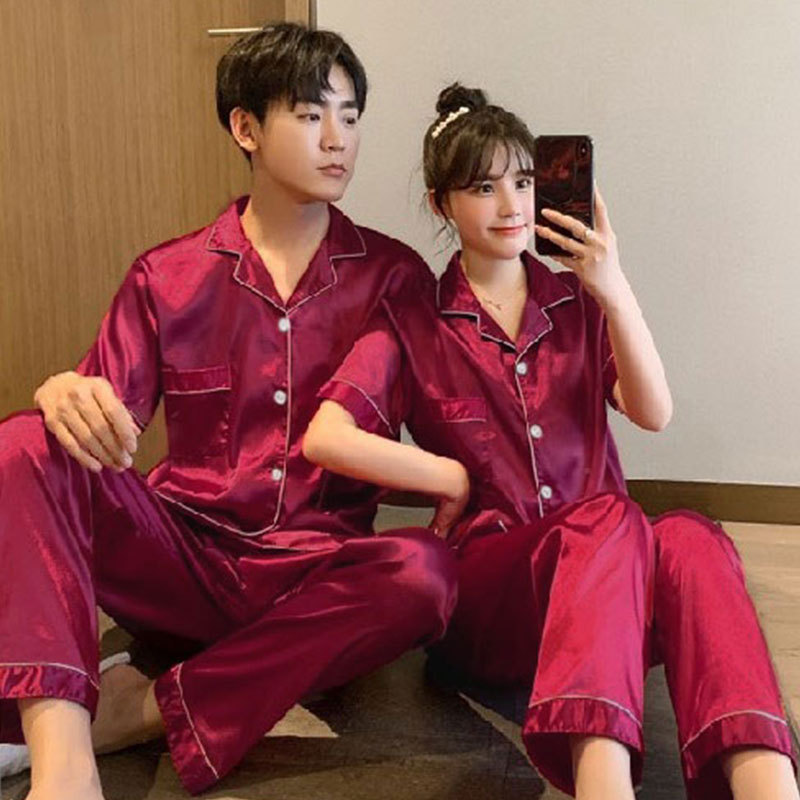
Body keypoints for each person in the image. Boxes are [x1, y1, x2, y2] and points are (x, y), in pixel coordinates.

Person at [302, 83, 799, 800]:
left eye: (524, 181)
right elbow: (326, 436)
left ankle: (766, 785)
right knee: (609, 520)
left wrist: (612, 287)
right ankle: (603, 786)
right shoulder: (414, 318)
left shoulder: (577, 305)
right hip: (496, 604)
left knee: (692, 538)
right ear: (442, 204)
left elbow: (654, 413)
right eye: (483, 187)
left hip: (610, 593)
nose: (511, 205)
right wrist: (447, 476)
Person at [0, 24, 457, 799]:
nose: (338, 139)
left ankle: (141, 710)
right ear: (245, 127)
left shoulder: (395, 277)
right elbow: (92, 431)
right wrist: (59, 393)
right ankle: (64, 759)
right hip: (182, 564)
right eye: (311, 115)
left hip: (319, 579)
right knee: (22, 442)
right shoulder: (166, 276)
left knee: (424, 574)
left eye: (350, 116)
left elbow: (452, 434)